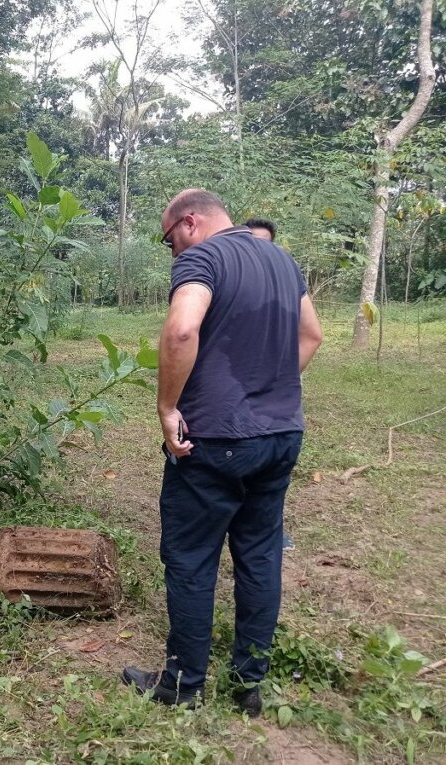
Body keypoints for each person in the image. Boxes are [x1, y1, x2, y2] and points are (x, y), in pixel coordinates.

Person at [122, 189, 323, 717]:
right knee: (260, 556)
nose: (172, 251)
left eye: (169, 240)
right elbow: (312, 335)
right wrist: (268, 389)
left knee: (190, 558)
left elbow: (183, 327)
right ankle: (248, 684)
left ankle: (183, 685)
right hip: (280, 436)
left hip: (213, 439)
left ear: (189, 223)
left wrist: (168, 407)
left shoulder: (203, 258)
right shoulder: (282, 259)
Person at [243, 216, 295, 551]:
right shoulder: (234, 279)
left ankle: (267, 527)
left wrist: (281, 372)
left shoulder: (281, 280)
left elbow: (310, 335)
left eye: (265, 242)